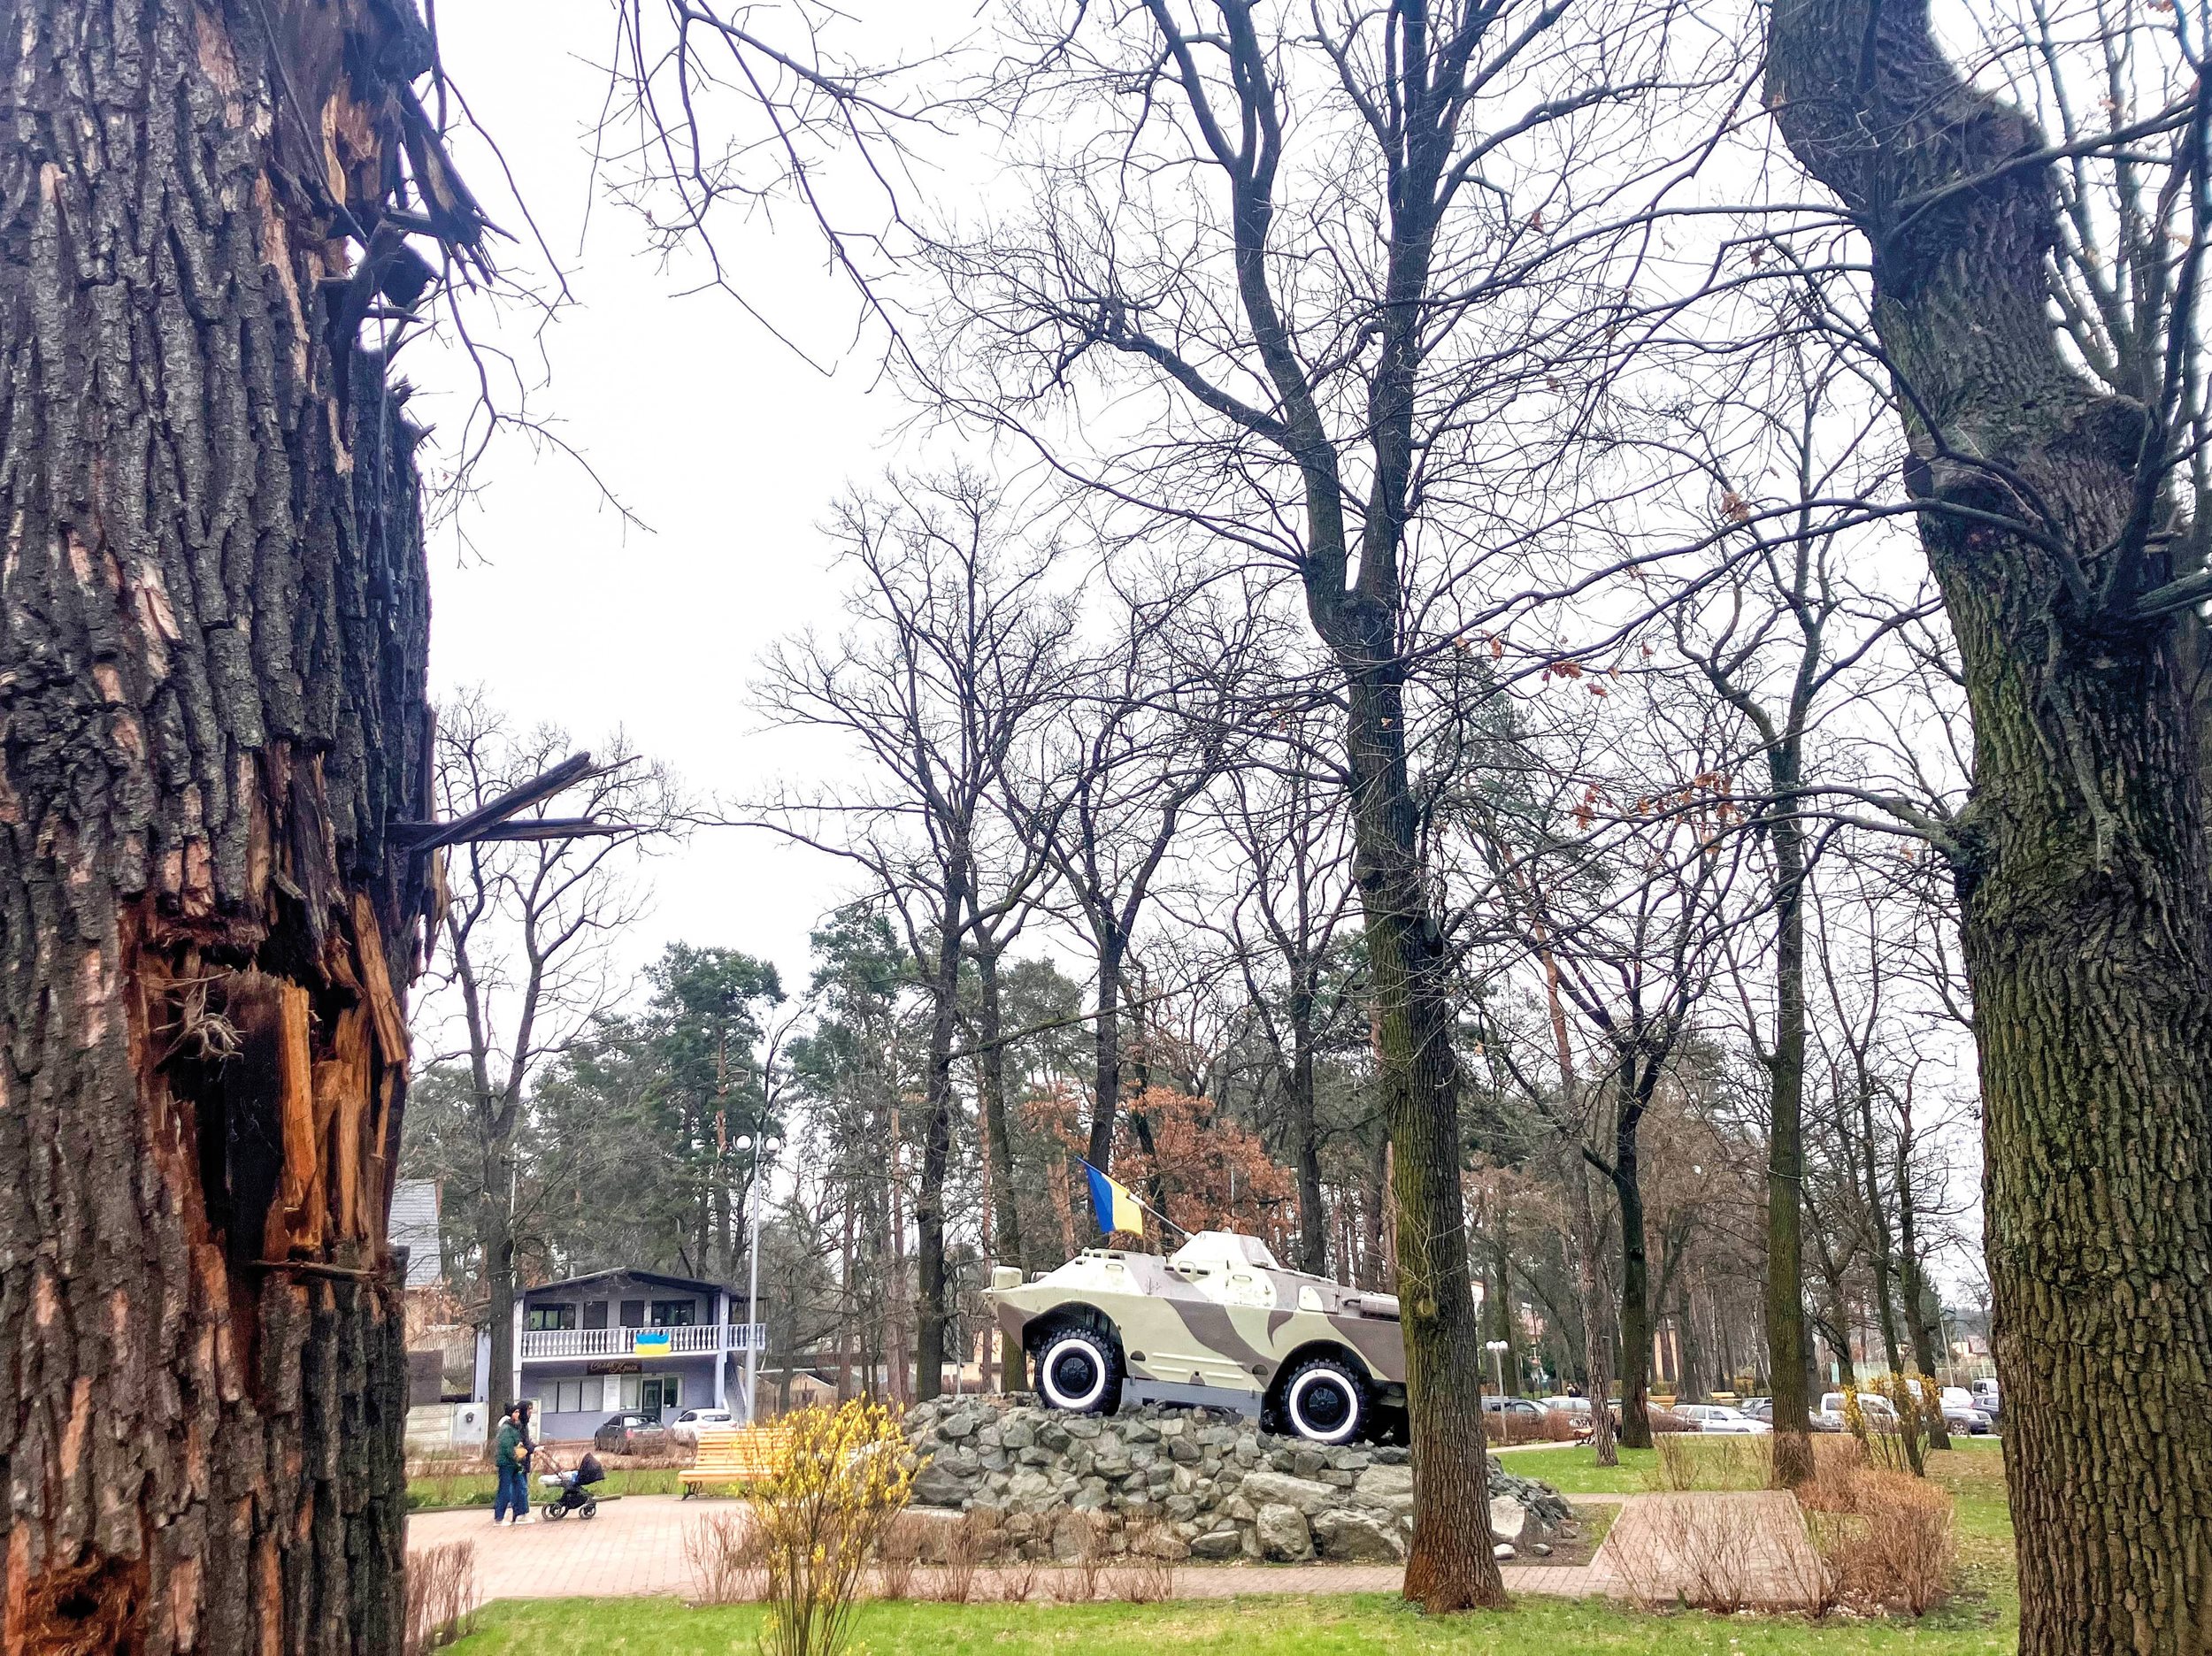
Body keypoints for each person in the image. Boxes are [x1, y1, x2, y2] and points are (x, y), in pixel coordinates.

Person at [492, 1403, 533, 1525]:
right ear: (510, 1414)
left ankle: (521, 1514)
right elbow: (507, 1448)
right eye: (515, 1412)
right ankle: (499, 1518)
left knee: (522, 1487)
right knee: (505, 1490)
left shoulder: (516, 1427)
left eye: (518, 1412)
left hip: (516, 1464)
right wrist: (517, 1456)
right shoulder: (506, 1429)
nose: (518, 1414)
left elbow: (519, 1443)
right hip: (507, 1464)